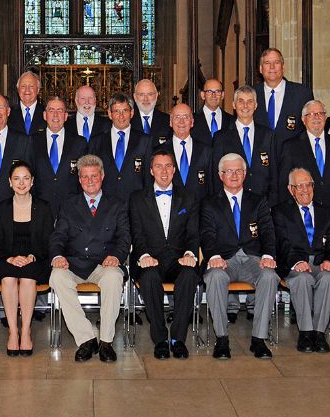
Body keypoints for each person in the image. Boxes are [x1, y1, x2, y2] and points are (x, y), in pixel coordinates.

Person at [48, 154, 131, 362]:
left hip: (104, 263)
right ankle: (86, 338)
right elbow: (58, 236)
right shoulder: (69, 204)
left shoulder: (117, 204)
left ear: (102, 176)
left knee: (113, 277)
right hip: (74, 263)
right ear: (79, 179)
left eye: (94, 176)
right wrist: (57, 255)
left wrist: (116, 256)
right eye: (85, 177)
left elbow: (124, 237)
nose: (90, 181)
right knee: (57, 277)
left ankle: (105, 341)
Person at [201, 153, 279, 359]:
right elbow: (207, 234)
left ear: (244, 174)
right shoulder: (209, 203)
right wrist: (213, 256)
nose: (234, 175)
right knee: (215, 276)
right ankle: (222, 339)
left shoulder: (258, 201)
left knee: (270, 276)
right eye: (229, 171)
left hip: (253, 258)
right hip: (224, 259)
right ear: (220, 175)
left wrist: (269, 255)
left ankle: (259, 339)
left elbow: (268, 231)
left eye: (238, 171)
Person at [129, 149, 200, 360]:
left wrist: (189, 253)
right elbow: (136, 233)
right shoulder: (137, 198)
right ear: (151, 171)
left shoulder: (188, 197)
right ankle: (160, 339)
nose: (164, 171)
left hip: (178, 258)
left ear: (175, 170)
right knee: (149, 276)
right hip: (150, 257)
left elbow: (193, 233)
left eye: (168, 166)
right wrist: (143, 255)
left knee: (189, 274)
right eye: (158, 166)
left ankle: (178, 339)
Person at [272, 168, 330, 353]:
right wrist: (296, 262)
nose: (304, 190)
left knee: (328, 278)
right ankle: (305, 332)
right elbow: (282, 243)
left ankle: (319, 332)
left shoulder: (326, 211)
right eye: (299, 186)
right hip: (294, 263)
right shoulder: (280, 212)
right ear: (290, 189)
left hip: (320, 262)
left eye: (308, 184)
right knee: (302, 279)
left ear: (313, 186)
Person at [0, 161, 54, 356]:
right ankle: (13, 331)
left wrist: (32, 256)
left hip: (36, 259)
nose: (21, 183)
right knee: (8, 279)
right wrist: (9, 258)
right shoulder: (0, 208)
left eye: (26, 178)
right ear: (10, 182)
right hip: (6, 259)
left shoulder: (43, 207)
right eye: (16, 178)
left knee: (27, 278)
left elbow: (49, 241)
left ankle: (26, 331)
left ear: (32, 181)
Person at [279, 100, 330, 220]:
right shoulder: (291, 146)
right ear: (303, 119)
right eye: (311, 114)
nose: (317, 117)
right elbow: (284, 184)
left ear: (325, 117)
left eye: (320, 113)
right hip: (302, 215)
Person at [213, 85, 278, 202]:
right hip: (232, 201)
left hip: (262, 202)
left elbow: (273, 172)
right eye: (241, 101)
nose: (245, 106)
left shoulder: (268, 135)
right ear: (234, 105)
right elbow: (216, 174)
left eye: (250, 101)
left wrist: (271, 203)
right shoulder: (221, 137)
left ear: (256, 105)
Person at [31, 96, 88, 218]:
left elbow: (83, 177)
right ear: (45, 115)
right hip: (40, 209)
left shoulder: (79, 143)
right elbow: (29, 174)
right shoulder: (32, 141)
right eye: (51, 110)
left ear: (66, 116)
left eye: (60, 110)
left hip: (71, 209)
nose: (55, 115)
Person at [88, 93, 151, 201]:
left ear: (132, 113)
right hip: (105, 204)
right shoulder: (97, 141)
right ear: (109, 114)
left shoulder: (144, 141)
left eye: (125, 111)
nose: (121, 116)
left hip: (136, 204)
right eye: (116, 111)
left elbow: (148, 178)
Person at [253, 48, 314, 150]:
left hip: (293, 159)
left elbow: (311, 129)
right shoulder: (251, 95)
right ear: (260, 69)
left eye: (276, 62)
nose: (272, 67)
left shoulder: (302, 93)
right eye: (267, 63)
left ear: (283, 67)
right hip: (261, 159)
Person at [156, 103, 214, 202]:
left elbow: (211, 188)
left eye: (186, 117)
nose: (181, 121)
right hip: (169, 212)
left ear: (192, 122)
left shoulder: (206, 151)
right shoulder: (159, 152)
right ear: (170, 122)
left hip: (199, 213)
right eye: (177, 117)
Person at [193, 78, 234, 143]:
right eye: (209, 91)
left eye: (217, 91)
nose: (213, 95)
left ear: (222, 95)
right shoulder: (192, 120)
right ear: (203, 95)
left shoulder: (232, 121)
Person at [9, 71, 46, 135]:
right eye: (23, 86)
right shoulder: (8, 113)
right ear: (18, 89)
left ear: (38, 90)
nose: (27, 90)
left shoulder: (46, 113)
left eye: (31, 86)